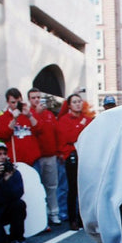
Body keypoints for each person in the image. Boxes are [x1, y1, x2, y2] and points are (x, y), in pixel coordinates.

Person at [57, 93, 91, 230]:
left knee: (85, 188)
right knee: (73, 188)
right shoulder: (64, 120)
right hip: (71, 156)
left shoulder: (87, 119)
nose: (78, 104)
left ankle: (83, 217)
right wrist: (80, 127)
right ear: (69, 105)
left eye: (79, 101)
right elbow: (70, 137)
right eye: (75, 102)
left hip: (85, 156)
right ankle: (72, 219)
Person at [27, 87, 61, 225]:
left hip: (50, 154)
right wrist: (35, 114)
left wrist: (58, 151)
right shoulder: (27, 114)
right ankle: (41, 216)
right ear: (29, 100)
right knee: (37, 187)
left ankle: (54, 213)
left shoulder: (49, 114)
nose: (36, 100)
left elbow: (56, 133)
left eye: (38, 97)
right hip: (36, 156)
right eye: (33, 98)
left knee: (52, 185)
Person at [0, 88, 41, 167]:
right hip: (15, 159)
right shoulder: (2, 117)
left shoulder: (30, 113)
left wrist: (29, 116)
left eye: (19, 102)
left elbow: (39, 130)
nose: (16, 105)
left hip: (33, 159)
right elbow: (3, 136)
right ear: (7, 102)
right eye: (13, 102)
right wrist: (14, 119)